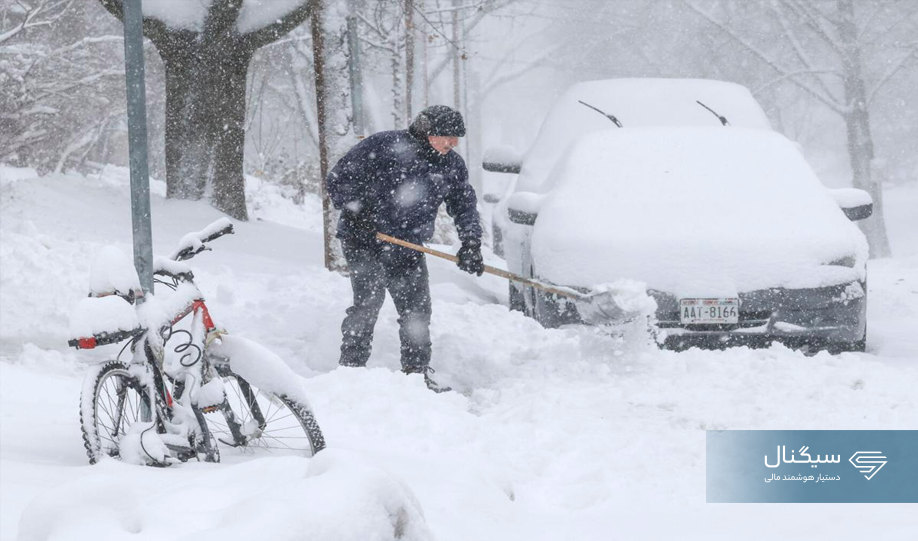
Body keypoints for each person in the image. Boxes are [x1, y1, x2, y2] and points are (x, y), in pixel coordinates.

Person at [327, 105, 484, 392]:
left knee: (417, 311)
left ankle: (415, 376)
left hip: (407, 245)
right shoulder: (384, 146)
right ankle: (350, 373)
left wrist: (471, 242)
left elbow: (464, 205)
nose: (451, 143)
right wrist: (359, 213)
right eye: (445, 137)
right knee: (367, 303)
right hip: (363, 241)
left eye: (456, 138)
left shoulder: (450, 165)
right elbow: (338, 181)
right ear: (426, 132)